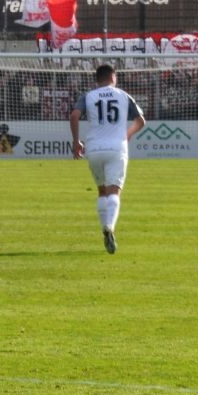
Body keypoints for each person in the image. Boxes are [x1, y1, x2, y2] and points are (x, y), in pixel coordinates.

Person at [69, 62, 146, 255]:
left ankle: (105, 227)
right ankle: (109, 227)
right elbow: (141, 121)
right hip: (116, 148)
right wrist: (128, 134)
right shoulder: (122, 95)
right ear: (113, 78)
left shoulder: (88, 96)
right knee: (114, 192)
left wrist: (76, 141)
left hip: (94, 149)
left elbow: (74, 115)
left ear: (97, 80)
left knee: (102, 191)